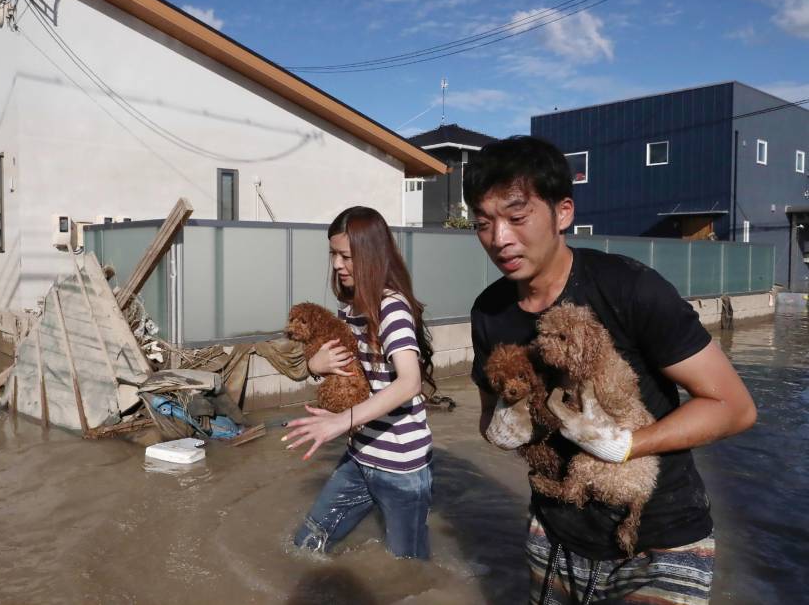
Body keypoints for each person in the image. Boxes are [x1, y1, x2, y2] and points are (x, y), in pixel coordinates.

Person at [464, 136, 756, 604]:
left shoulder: (630, 288)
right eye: (483, 223)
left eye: (517, 218)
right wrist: (501, 426)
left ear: (563, 212)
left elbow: (734, 408)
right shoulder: (489, 313)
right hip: (554, 534)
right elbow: (487, 413)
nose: (499, 238)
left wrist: (625, 445)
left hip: (660, 539)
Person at [283, 206, 436, 559]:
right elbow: (349, 372)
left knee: (408, 566)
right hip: (360, 455)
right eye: (333, 254)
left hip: (402, 467)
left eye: (346, 256)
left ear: (371, 255)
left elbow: (410, 382)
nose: (336, 265)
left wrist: (339, 422)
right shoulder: (348, 310)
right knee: (306, 543)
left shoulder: (391, 308)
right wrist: (314, 366)